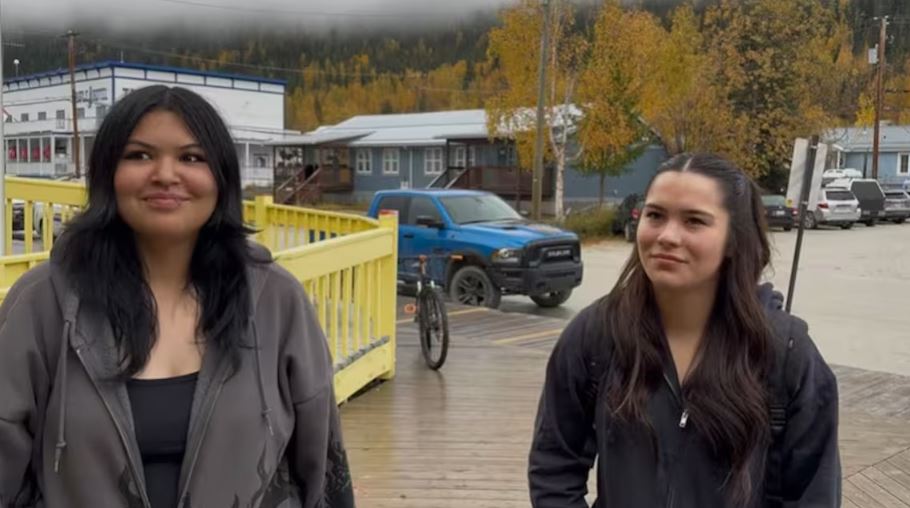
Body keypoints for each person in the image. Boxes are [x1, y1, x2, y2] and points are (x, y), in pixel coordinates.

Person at [0, 85, 356, 508]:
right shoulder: (45, 303)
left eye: (191, 157)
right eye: (139, 155)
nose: (166, 174)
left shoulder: (275, 300)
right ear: (106, 173)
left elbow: (322, 467)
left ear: (221, 177)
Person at [528, 153, 840, 507]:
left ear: (733, 240)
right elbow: (554, 463)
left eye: (694, 221)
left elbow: (813, 493)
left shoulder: (786, 353)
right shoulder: (596, 334)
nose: (667, 236)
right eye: (655, 215)